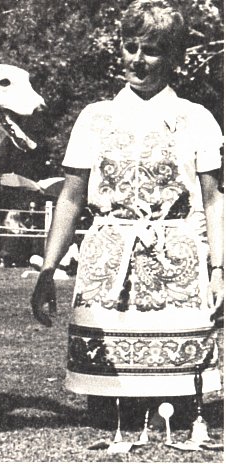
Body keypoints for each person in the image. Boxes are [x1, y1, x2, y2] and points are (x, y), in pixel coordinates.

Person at [31, 0, 223, 428]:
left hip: (176, 262)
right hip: (106, 262)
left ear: (173, 56)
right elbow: (71, 197)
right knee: (108, 414)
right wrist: (48, 267)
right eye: (130, 46)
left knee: (168, 416)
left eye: (151, 49)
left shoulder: (197, 118)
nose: (137, 59)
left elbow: (213, 199)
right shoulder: (94, 118)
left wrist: (218, 268)